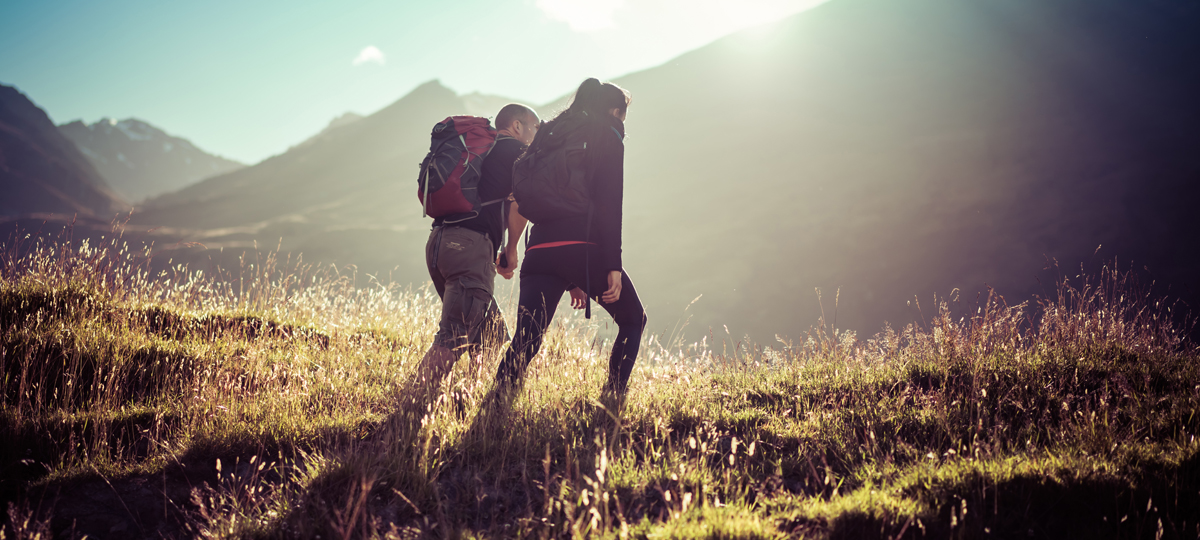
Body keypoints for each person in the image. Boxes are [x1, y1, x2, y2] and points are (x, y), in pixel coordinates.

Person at [493, 78, 646, 404]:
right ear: (615, 111)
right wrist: (612, 265)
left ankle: (496, 404)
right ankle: (612, 402)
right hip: (583, 248)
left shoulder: (550, 132)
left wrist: (573, 278)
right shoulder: (607, 134)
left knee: (527, 338)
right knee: (633, 319)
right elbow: (608, 204)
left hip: (539, 249)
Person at [413, 104, 541, 397]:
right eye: (534, 127)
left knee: (491, 335)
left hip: (440, 242)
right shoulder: (517, 153)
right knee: (454, 337)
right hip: (469, 247)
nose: (537, 134)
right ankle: (410, 405)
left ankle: (468, 398)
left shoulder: (481, 150)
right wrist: (511, 251)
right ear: (517, 126)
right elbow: (519, 204)